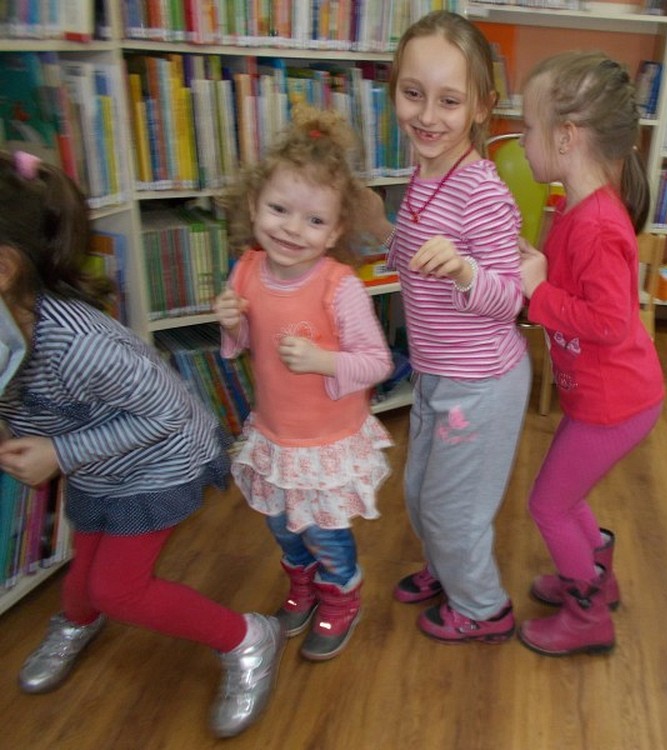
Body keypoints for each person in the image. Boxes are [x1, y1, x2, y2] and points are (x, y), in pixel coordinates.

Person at [0, 151, 283, 739]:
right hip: (97, 467)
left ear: (5, 267)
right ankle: (77, 620)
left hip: (159, 463)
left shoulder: (82, 342)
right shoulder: (10, 326)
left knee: (118, 588)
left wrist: (58, 455)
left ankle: (247, 637)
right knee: (86, 567)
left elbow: (169, 412)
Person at [368, 10, 530, 643]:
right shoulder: (426, 172)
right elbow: (414, 253)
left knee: (452, 507)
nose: (428, 116)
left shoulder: (482, 192)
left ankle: (484, 607)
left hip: (481, 383)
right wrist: (379, 230)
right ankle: (445, 568)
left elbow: (510, 299)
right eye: (413, 94)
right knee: (420, 491)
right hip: (439, 372)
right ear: (394, 93)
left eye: (450, 100)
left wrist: (464, 271)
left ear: (482, 107)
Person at [214, 106, 393, 661]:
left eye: (315, 220)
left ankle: (341, 593)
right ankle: (303, 584)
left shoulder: (341, 287)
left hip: (325, 441)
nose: (292, 229)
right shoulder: (247, 268)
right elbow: (246, 343)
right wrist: (232, 324)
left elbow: (377, 362)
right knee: (282, 526)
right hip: (276, 434)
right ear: (254, 205)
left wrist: (323, 360)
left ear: (336, 230)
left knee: (324, 532)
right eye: (279, 209)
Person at [516, 51, 665, 656]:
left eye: (528, 126)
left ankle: (588, 614)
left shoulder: (599, 225)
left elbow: (607, 321)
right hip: (603, 395)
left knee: (547, 505)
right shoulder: (577, 208)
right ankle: (596, 574)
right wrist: (539, 273)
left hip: (615, 401)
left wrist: (538, 293)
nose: (521, 140)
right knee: (565, 496)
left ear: (567, 137)